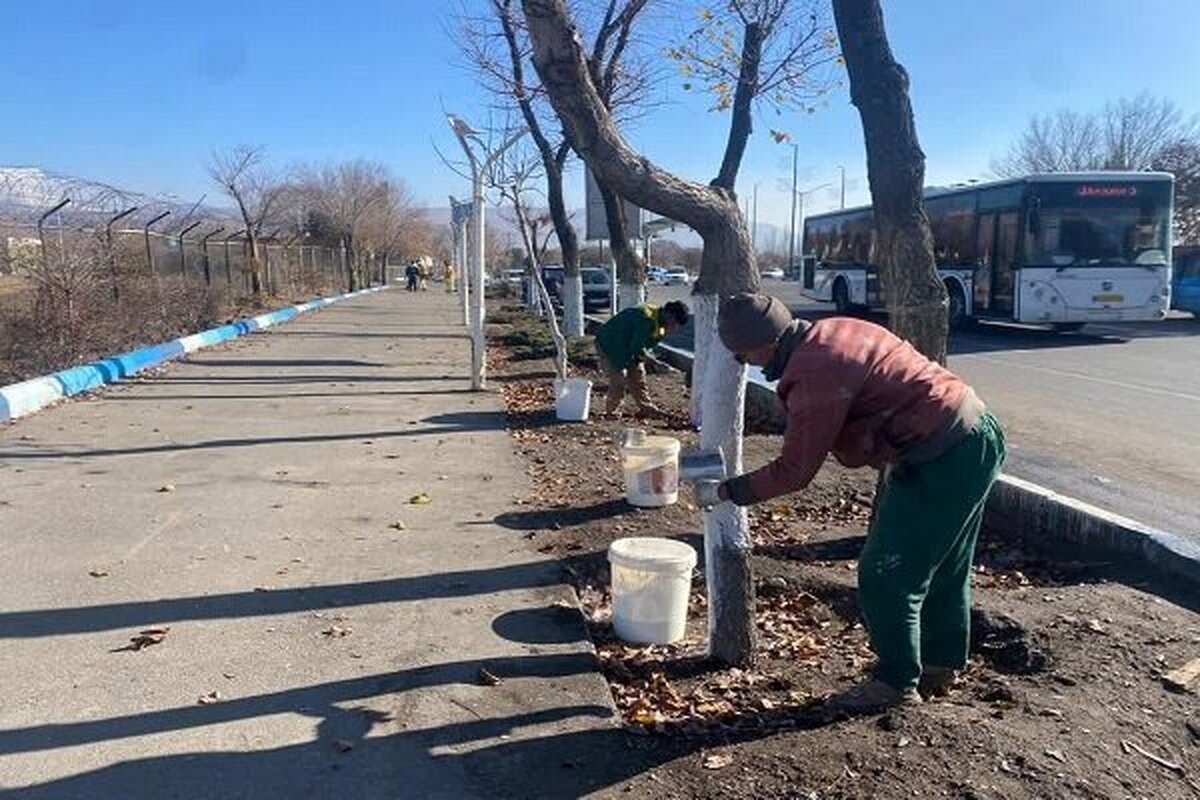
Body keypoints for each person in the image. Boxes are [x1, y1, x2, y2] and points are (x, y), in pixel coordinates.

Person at [712, 293, 1006, 713]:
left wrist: (730, 491)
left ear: (764, 344)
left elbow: (796, 470)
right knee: (943, 561)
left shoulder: (815, 372)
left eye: (743, 356)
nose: (746, 365)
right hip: (972, 433)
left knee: (885, 572)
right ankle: (940, 663)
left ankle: (896, 684)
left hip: (944, 454)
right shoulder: (834, 330)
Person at [594, 300, 689, 417]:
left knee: (638, 376)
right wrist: (656, 363)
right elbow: (638, 348)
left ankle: (646, 408)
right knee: (618, 378)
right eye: (674, 324)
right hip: (610, 343)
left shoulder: (660, 325)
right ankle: (612, 412)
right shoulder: (645, 319)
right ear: (668, 315)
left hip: (627, 345)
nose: (674, 328)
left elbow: (646, 347)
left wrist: (650, 359)